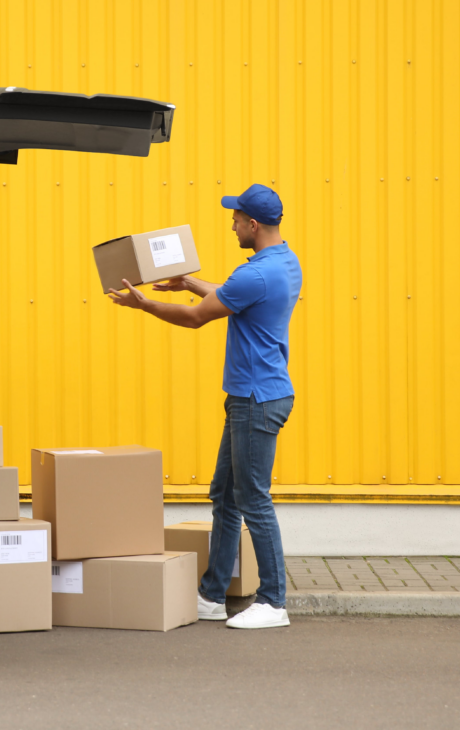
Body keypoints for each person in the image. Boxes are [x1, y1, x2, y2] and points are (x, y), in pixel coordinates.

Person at [108, 184, 302, 629]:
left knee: (253, 499)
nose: (231, 224)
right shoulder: (284, 261)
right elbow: (232, 293)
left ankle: (273, 602)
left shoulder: (255, 274)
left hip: (256, 399)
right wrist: (189, 283)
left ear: (253, 224)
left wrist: (145, 305)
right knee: (225, 495)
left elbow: (198, 316)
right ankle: (213, 596)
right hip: (253, 395)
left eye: (236, 218)